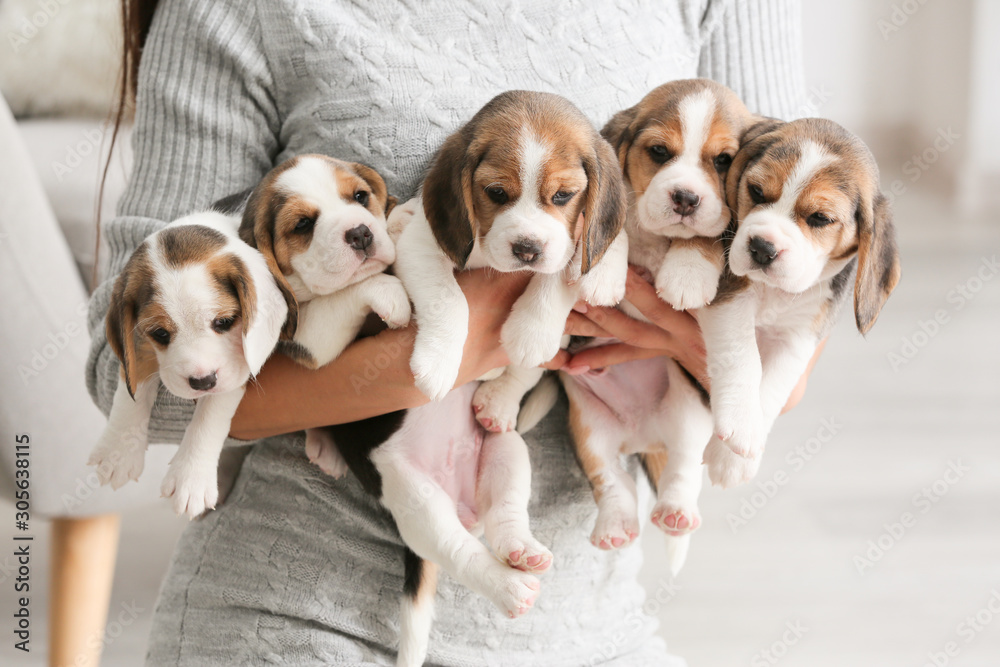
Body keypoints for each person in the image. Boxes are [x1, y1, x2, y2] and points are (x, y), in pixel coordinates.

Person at [86, 0, 812, 664]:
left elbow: (797, 302)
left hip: (591, 627)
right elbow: (124, 368)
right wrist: (453, 342)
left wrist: (692, 342)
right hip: (298, 615)